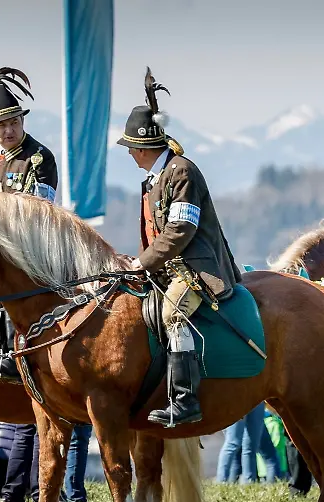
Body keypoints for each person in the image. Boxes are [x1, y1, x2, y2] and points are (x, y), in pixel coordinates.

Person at [117, 67, 243, 428]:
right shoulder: (155, 177)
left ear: (144, 147)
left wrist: (142, 263)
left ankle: (185, 400)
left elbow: (181, 229)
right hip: (166, 268)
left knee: (173, 313)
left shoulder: (181, 172)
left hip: (197, 268)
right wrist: (139, 263)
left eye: (131, 148)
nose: (129, 154)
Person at [0, 66, 59, 382]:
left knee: (7, 284)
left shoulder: (39, 157)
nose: (9, 130)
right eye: (2, 125)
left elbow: (40, 209)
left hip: (24, 245)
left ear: (23, 121)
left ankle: (11, 353)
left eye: (14, 122)